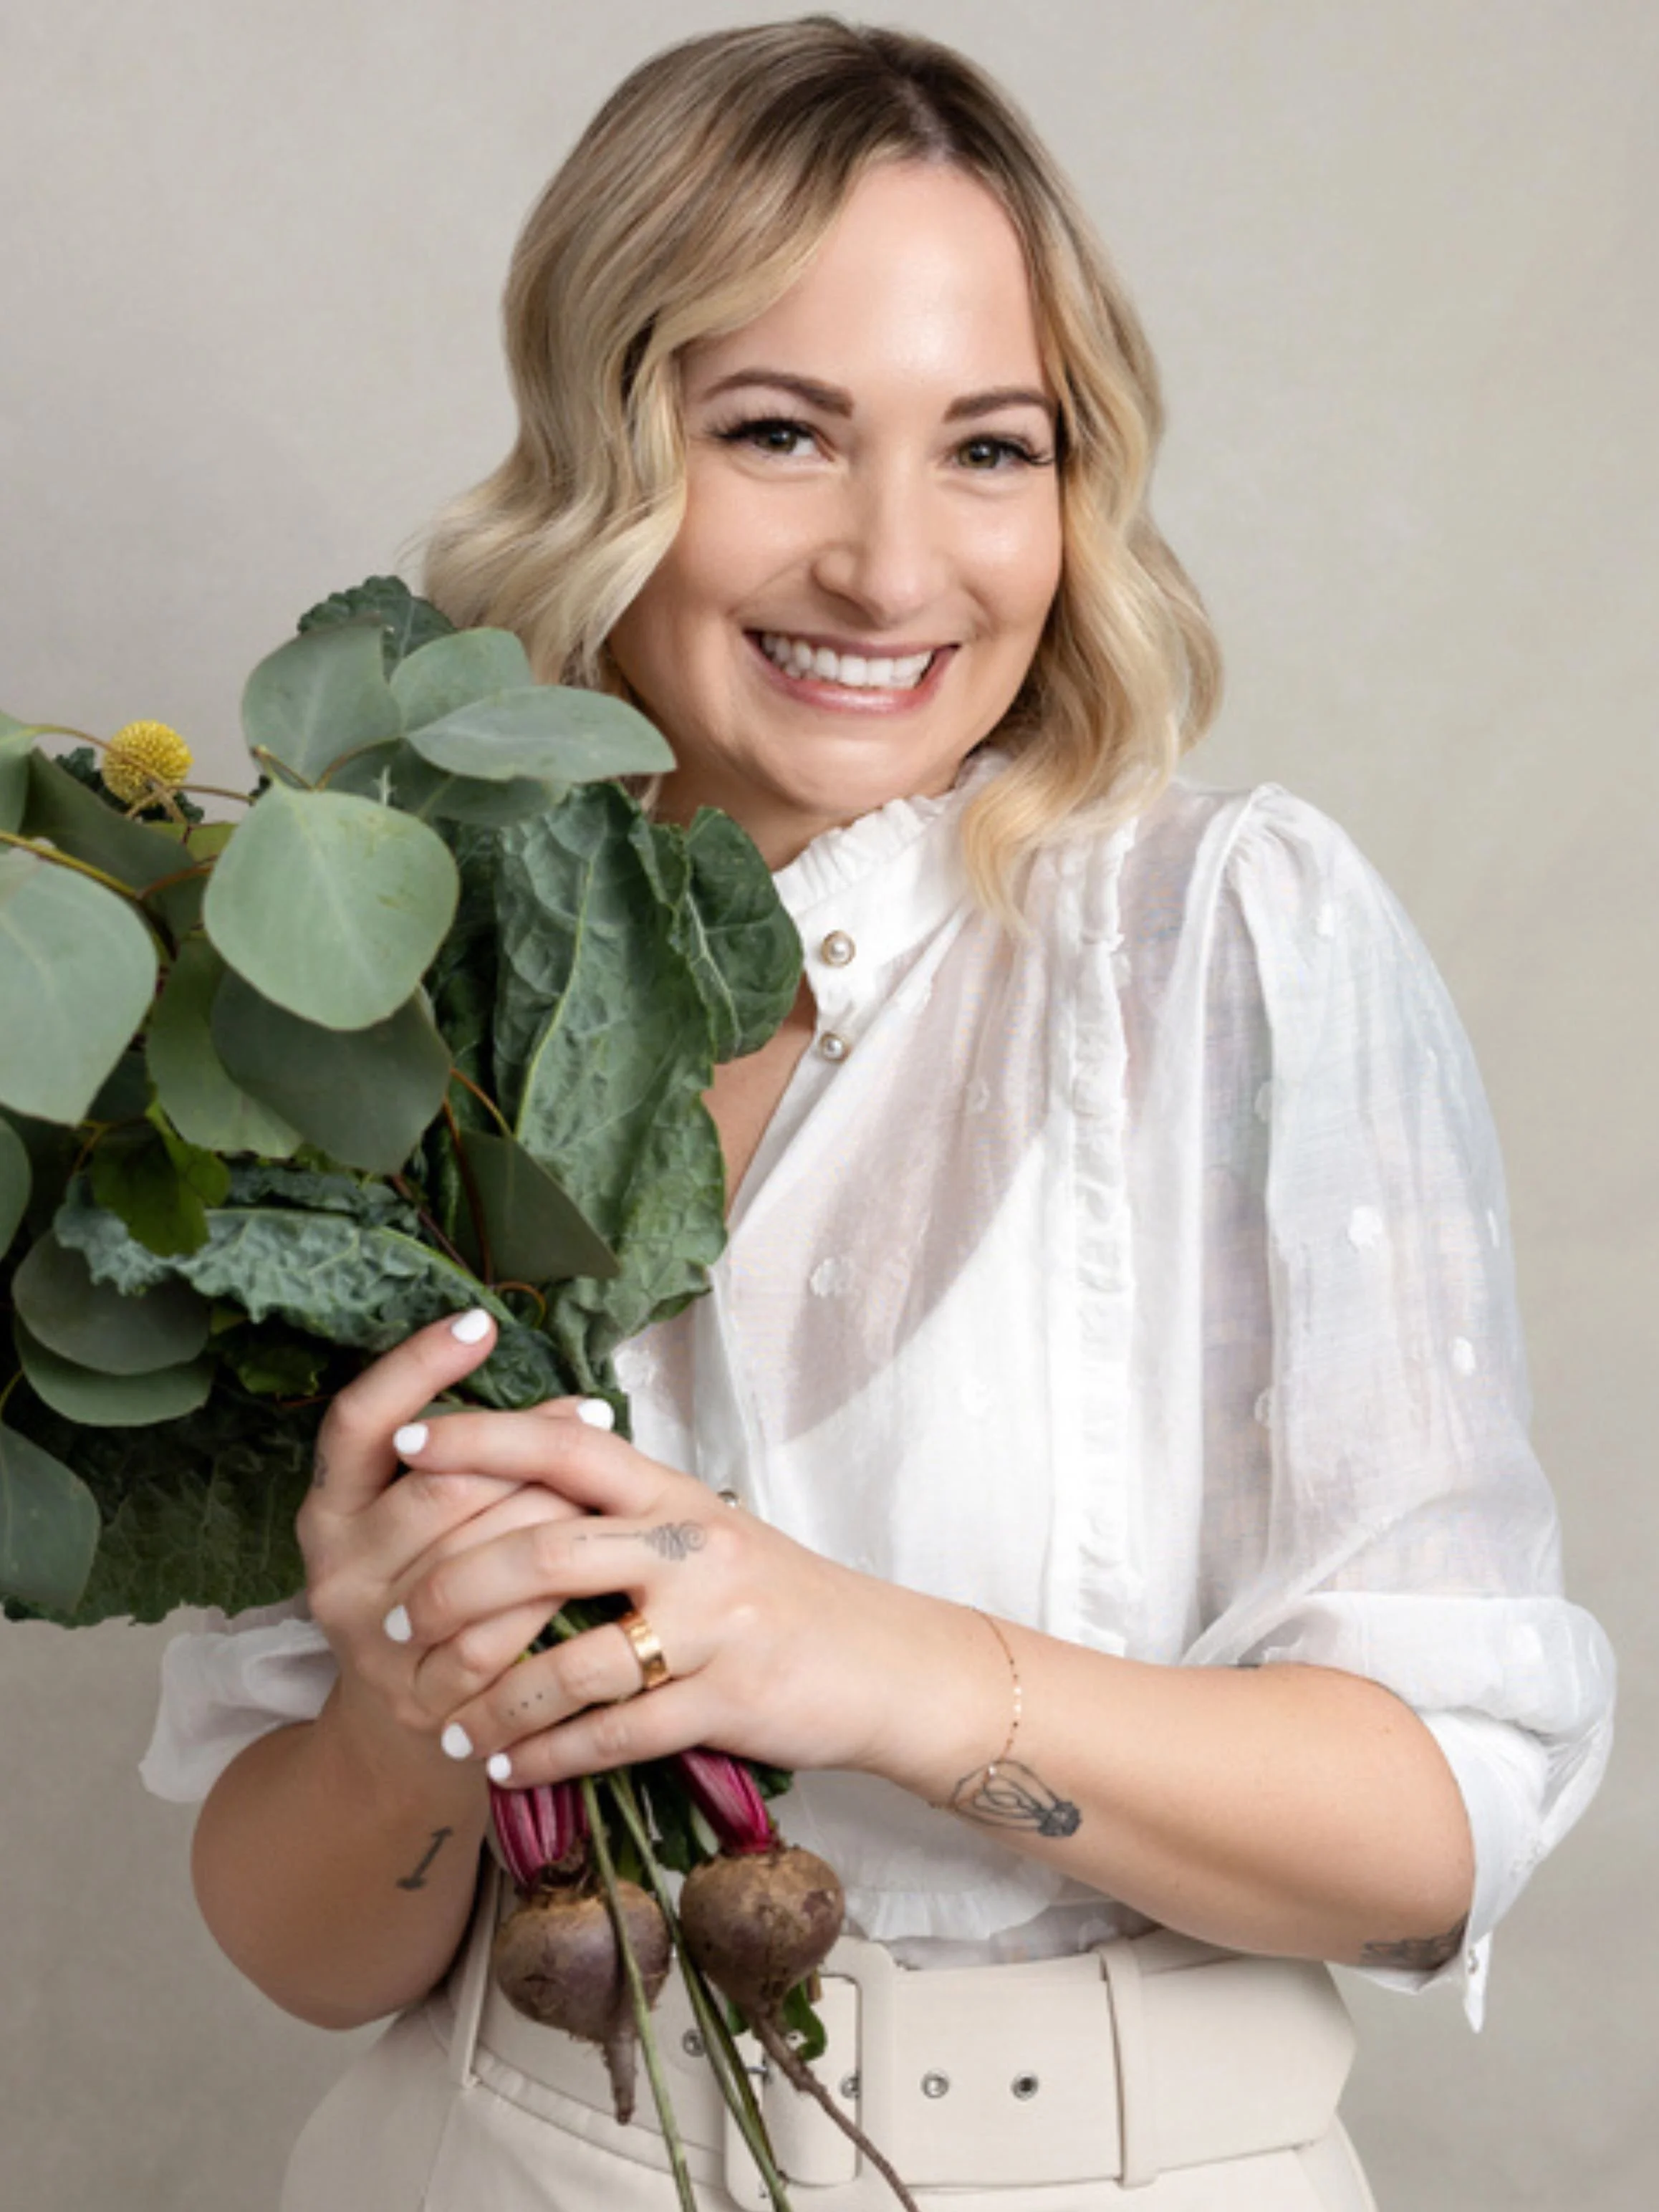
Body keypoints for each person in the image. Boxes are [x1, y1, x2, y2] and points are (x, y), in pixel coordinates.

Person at [143, 19, 1615, 2210]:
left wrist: (863, 1659)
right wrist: (403, 1700)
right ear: (600, 446)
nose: (890, 565)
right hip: (496, 2147)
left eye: (991, 449)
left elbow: (1432, 1834)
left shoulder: (1226, 938)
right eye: (778, 432)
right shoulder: (378, 1009)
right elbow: (304, 1953)